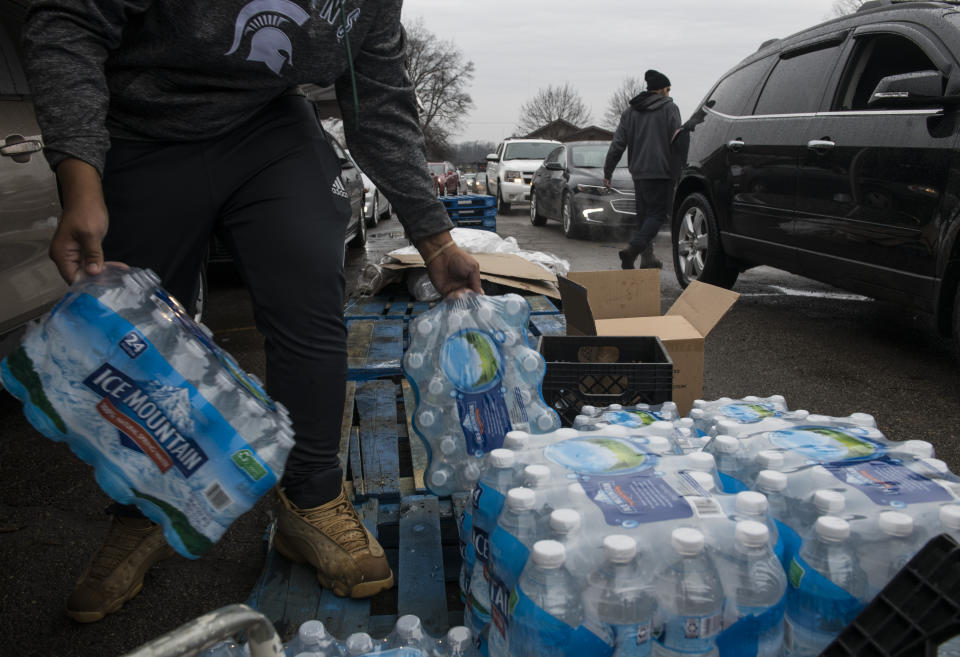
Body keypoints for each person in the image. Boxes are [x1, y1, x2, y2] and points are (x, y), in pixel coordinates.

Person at [21, 0, 481, 622]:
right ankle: (144, 510)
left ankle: (311, 502)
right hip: (141, 124)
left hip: (268, 129)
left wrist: (436, 241)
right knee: (134, 332)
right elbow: (68, 18)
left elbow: (377, 102)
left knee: (309, 297)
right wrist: (80, 178)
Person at [603, 69, 682, 270]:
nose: (669, 93)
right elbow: (677, 142)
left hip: (639, 174)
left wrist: (608, 172)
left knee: (644, 217)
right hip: (662, 173)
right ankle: (633, 250)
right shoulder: (669, 108)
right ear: (663, 90)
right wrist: (679, 171)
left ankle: (648, 258)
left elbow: (617, 144)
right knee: (657, 215)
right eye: (668, 89)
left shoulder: (630, 112)